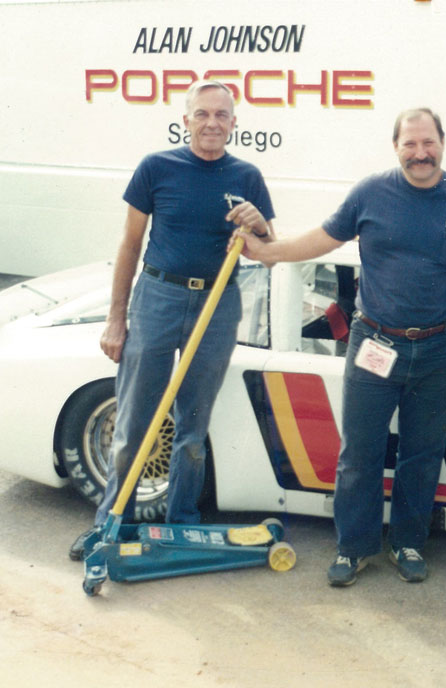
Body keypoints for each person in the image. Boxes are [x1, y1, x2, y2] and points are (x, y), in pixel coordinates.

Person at [237, 107, 446, 585]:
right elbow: (323, 239)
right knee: (360, 451)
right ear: (396, 147)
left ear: (442, 144)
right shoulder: (371, 193)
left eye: (428, 143)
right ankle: (354, 547)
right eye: (410, 144)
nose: (420, 153)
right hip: (374, 341)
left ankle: (407, 543)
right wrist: (269, 254)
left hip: (441, 345)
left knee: (423, 450)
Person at [69, 80, 276, 560]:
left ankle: (181, 524)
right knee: (135, 421)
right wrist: (115, 318)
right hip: (157, 297)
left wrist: (261, 226)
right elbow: (129, 244)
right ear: (186, 121)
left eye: (221, 115)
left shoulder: (247, 177)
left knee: (193, 426)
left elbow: (268, 253)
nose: (212, 123)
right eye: (202, 114)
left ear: (233, 124)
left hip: (218, 304)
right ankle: (110, 524)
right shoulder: (156, 168)